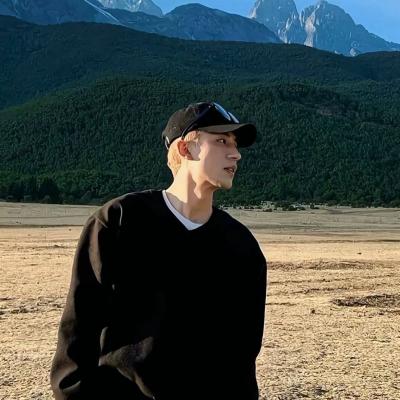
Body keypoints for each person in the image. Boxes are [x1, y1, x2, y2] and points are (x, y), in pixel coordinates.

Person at [50, 101, 267, 400]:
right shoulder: (118, 222)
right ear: (185, 149)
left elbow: (242, 355)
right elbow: (78, 329)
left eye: (235, 144)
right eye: (221, 141)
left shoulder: (241, 246)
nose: (236, 153)